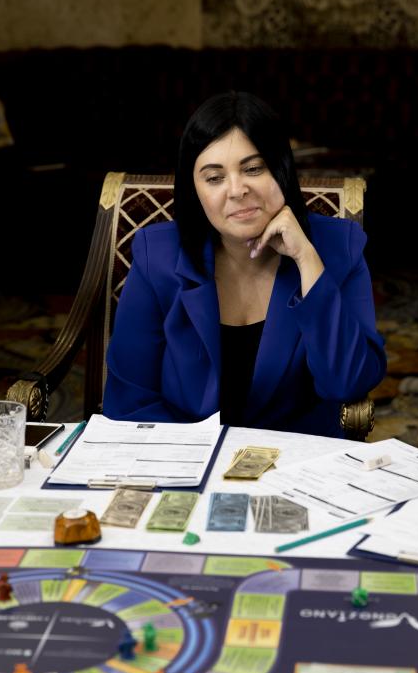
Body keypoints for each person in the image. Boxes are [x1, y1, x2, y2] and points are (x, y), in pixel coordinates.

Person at [103, 91, 386, 437]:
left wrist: (307, 259)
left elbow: (349, 382)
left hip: (297, 458)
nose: (237, 190)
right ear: (194, 190)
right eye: (214, 178)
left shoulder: (339, 247)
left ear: (281, 170)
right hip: (188, 457)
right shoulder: (156, 256)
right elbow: (130, 402)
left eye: (253, 169)